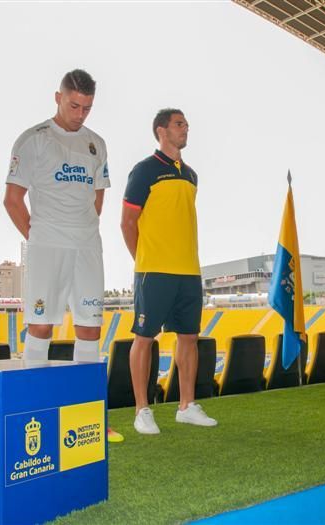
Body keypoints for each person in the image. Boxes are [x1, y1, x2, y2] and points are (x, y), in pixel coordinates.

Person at [3, 69, 122, 442]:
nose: (80, 113)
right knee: (42, 326)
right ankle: (31, 415)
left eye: (87, 108)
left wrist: (78, 231)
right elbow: (12, 200)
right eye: (74, 105)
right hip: (47, 246)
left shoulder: (96, 144)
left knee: (90, 327)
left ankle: (88, 419)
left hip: (87, 246)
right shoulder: (33, 140)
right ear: (58, 98)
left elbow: (98, 197)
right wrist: (41, 237)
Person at [120, 108, 217, 434]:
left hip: (188, 270)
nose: (185, 128)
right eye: (179, 124)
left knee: (189, 337)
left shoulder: (191, 175)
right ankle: (141, 410)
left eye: (186, 124)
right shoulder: (145, 170)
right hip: (154, 270)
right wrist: (143, 259)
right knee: (145, 338)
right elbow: (127, 222)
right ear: (161, 130)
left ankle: (186, 406)